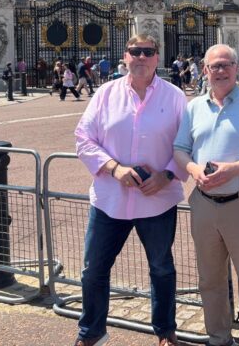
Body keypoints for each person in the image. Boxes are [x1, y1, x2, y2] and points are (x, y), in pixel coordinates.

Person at [74, 35, 187, 346]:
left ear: (156, 57)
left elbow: (188, 144)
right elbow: (83, 138)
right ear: (125, 56)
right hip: (111, 199)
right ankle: (91, 332)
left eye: (147, 52)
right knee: (93, 270)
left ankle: (166, 332)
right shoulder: (105, 94)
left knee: (161, 269)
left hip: (157, 199)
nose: (141, 57)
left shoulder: (175, 97)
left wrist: (168, 175)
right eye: (135, 51)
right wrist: (114, 168)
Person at [173, 44, 239, 346]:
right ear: (204, 70)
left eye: (225, 64)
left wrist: (234, 169)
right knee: (210, 279)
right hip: (204, 203)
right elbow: (180, 149)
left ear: (236, 67)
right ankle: (218, 338)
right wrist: (193, 169)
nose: (219, 70)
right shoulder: (193, 107)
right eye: (213, 66)